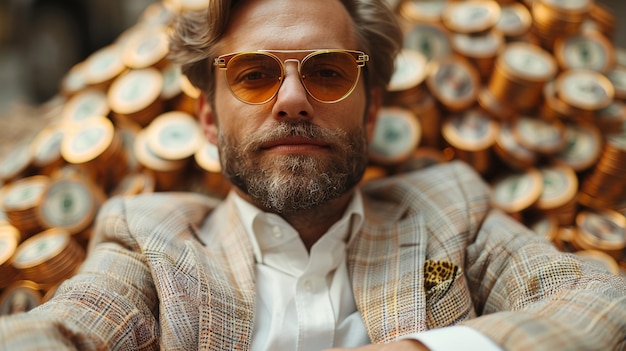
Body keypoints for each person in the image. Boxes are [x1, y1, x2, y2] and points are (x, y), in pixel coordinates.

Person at [1, 0, 626, 350]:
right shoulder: (147, 237)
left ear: (373, 107)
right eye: (252, 74)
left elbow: (600, 302)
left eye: (328, 72)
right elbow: (67, 329)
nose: (293, 99)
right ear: (208, 118)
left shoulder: (449, 211)